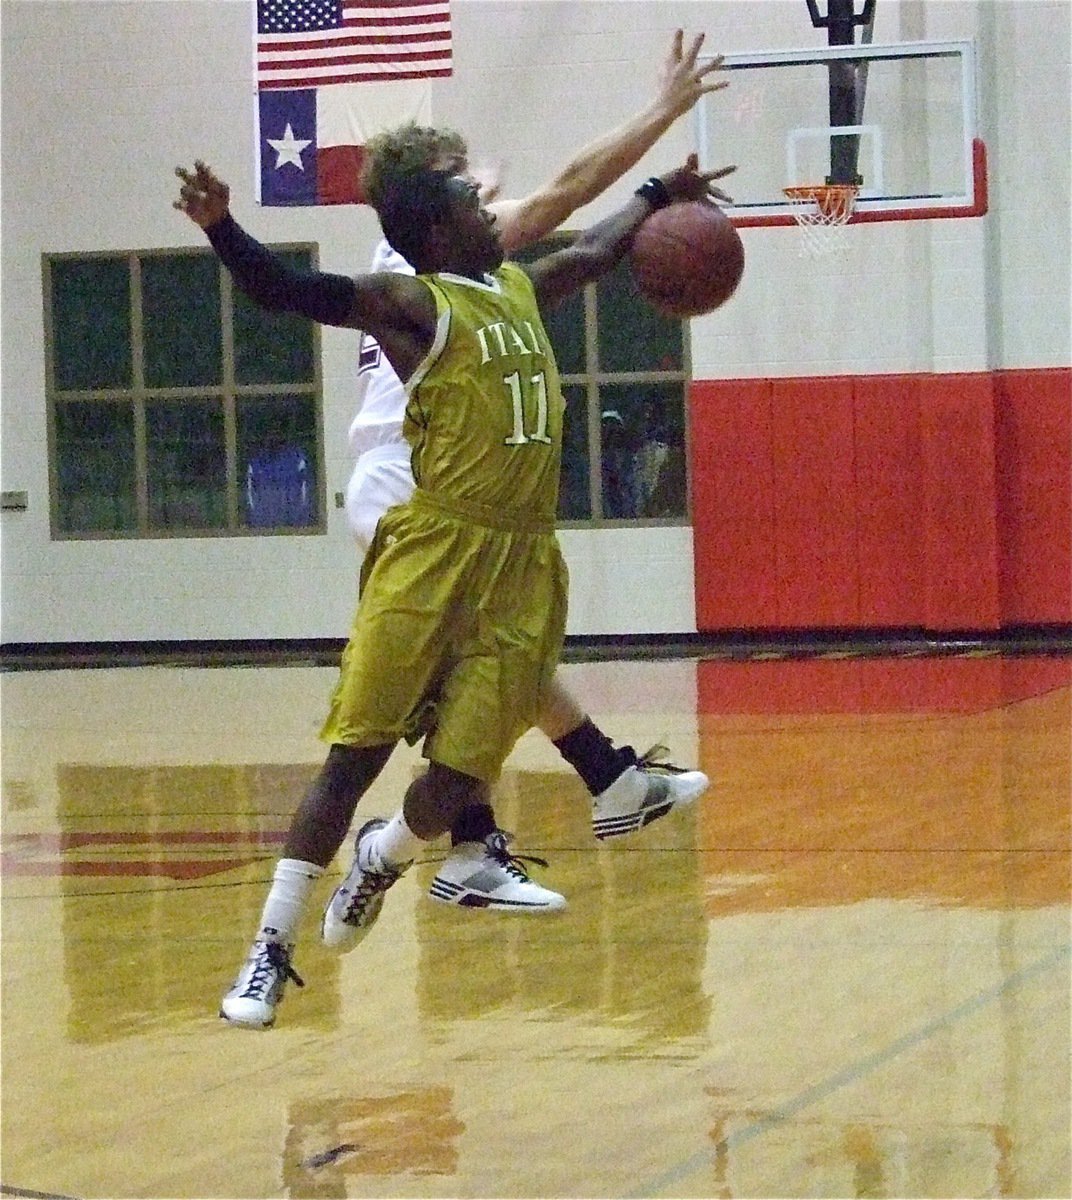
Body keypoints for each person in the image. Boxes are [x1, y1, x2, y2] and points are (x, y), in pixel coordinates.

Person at [174, 128, 730, 1029]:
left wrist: (663, 191)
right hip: (433, 554)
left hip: (523, 564)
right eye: (471, 203)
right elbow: (292, 291)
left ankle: (386, 857)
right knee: (352, 760)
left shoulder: (513, 286)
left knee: (454, 783)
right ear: (438, 236)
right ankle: (269, 950)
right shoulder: (415, 307)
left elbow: (592, 249)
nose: (488, 208)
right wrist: (223, 226)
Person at [343, 30, 730, 913]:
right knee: (496, 656)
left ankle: (567, 801)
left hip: (422, 479)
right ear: (434, 196)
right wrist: (663, 116)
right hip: (417, 482)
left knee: (497, 658)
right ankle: (584, 791)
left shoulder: (438, 262)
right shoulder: (433, 260)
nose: (483, 188)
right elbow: (571, 197)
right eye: (465, 176)